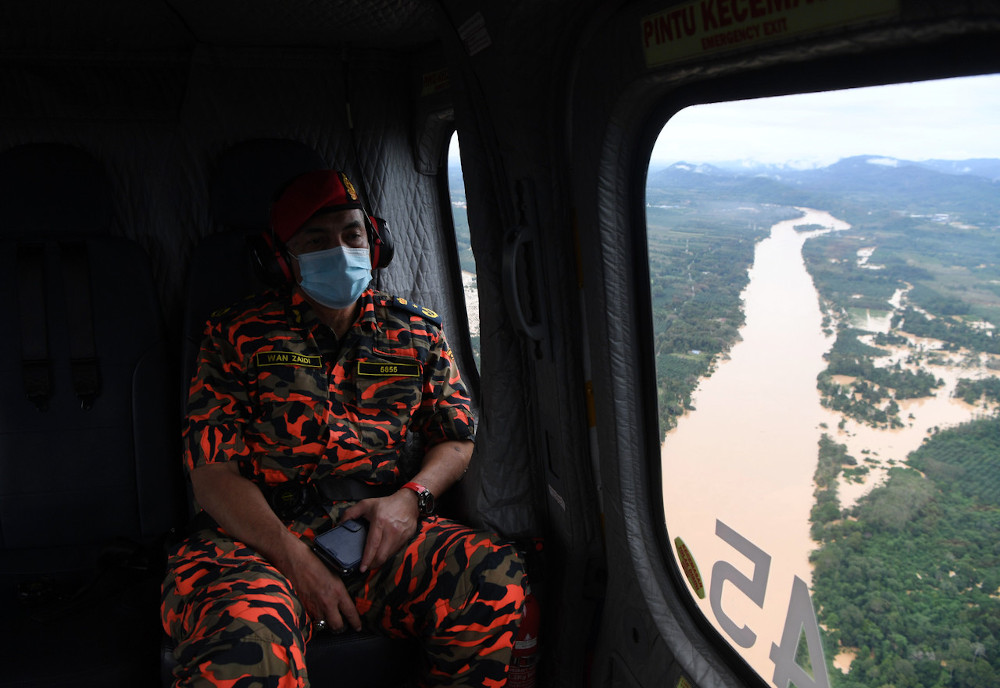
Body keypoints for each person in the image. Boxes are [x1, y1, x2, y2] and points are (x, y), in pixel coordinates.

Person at [161, 169, 526, 687]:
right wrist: (297, 562)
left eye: (351, 234)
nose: (340, 250)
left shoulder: (416, 333)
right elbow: (211, 472)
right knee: (245, 638)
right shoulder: (235, 336)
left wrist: (411, 499)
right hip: (255, 544)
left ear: (375, 242)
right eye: (315, 240)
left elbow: (456, 437)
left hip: (378, 533)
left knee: (492, 574)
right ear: (279, 258)